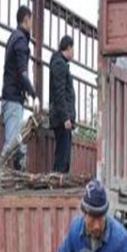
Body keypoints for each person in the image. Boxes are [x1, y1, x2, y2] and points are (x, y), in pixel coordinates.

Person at [0, 4, 38, 172]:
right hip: (13, 100)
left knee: (19, 144)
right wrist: (33, 94)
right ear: (26, 19)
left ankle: (18, 178)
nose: (32, 24)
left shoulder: (13, 38)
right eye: (31, 20)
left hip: (13, 98)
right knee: (12, 143)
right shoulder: (21, 40)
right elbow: (22, 72)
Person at [49, 34, 76, 174]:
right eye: (73, 49)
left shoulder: (60, 63)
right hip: (61, 119)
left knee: (64, 154)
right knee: (62, 156)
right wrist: (66, 117)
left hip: (62, 118)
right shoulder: (59, 64)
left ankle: (60, 179)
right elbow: (59, 93)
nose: (74, 53)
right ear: (69, 47)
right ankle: (58, 181)